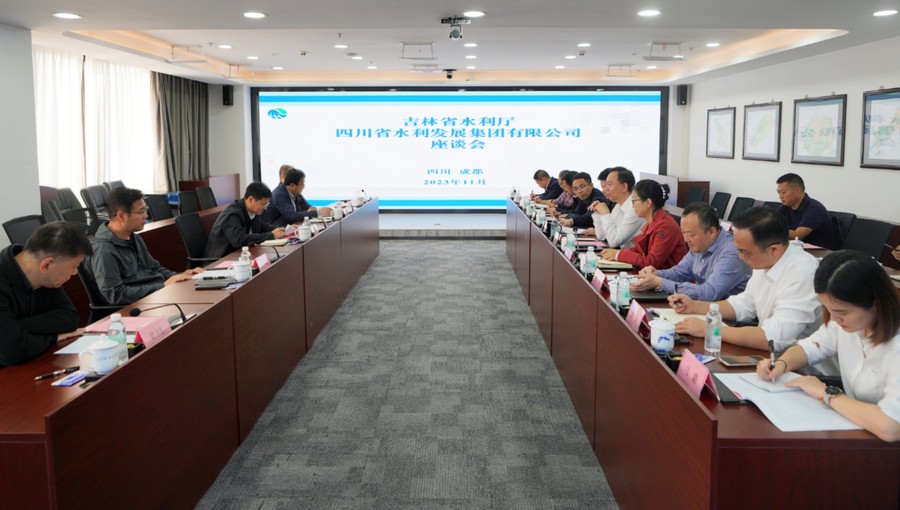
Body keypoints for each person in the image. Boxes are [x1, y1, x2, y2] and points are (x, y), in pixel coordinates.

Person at [757, 250, 900, 442]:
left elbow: (891, 427)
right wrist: (781, 364)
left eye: (842, 312)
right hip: (857, 432)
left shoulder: (896, 347)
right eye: (828, 309)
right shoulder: (850, 323)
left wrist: (827, 394)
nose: (834, 318)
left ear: (876, 303)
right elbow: (810, 347)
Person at [670, 207, 821, 352]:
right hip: (772, 356)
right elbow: (744, 304)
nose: (741, 258)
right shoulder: (765, 260)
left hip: (802, 365)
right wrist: (695, 306)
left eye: (745, 253)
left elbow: (774, 338)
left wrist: (710, 328)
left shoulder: (802, 273)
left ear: (773, 249)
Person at [90, 188, 203, 305]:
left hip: (155, 297)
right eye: (141, 211)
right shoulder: (103, 249)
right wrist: (162, 286)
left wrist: (180, 276)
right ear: (121, 216)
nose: (146, 215)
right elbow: (115, 294)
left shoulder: (134, 238)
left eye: (146, 210)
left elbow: (154, 268)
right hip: (136, 306)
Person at [0, 222, 91, 366]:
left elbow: (70, 319)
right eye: (74, 266)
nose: (75, 273)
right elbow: (12, 350)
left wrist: (17, 326)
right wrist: (54, 338)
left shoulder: (46, 278)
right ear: (47, 265)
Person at [633, 202, 751, 300]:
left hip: (724, 316)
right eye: (683, 233)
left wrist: (659, 282)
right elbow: (680, 272)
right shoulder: (700, 244)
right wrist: (656, 274)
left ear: (711, 232)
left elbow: (708, 293)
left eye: (691, 234)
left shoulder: (731, 253)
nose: (686, 239)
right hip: (702, 308)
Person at [601, 180, 687, 269]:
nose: (633, 206)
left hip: (667, 276)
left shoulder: (665, 226)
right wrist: (616, 253)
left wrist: (618, 255)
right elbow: (639, 249)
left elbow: (651, 262)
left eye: (634, 201)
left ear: (648, 202)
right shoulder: (652, 220)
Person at [205, 182, 286, 259]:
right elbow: (239, 240)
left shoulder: (252, 211)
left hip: (240, 256)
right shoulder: (233, 214)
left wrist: (280, 230)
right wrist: (271, 235)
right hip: (220, 260)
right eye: (263, 204)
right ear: (251, 199)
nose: (265, 208)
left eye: (266, 204)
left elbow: (262, 226)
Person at [775, 173, 838, 250]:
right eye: (779, 193)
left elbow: (797, 236)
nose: (780, 196)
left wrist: (772, 229)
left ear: (797, 191)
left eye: (783, 192)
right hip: (797, 249)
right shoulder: (786, 206)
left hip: (819, 252)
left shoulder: (814, 209)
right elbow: (772, 223)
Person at [588, 167, 645, 248]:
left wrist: (605, 213)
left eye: (609, 184)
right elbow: (601, 236)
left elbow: (614, 242)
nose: (605, 190)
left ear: (624, 186)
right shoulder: (618, 205)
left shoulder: (634, 208)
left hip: (631, 255)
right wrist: (598, 213)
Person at [261, 168, 331, 227]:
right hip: (276, 229)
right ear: (292, 185)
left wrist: (313, 210)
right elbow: (291, 216)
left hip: (292, 226)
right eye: (302, 184)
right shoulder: (279, 195)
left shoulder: (295, 192)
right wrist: (317, 213)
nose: (303, 187)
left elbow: (307, 207)